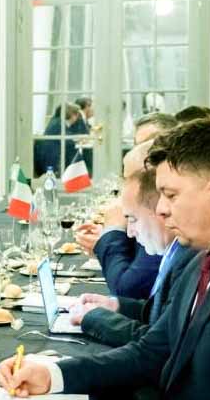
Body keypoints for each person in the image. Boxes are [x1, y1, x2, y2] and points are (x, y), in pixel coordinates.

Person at [0, 119, 210, 400]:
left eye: (171, 195)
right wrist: (53, 375)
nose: (161, 209)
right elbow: (151, 352)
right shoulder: (202, 261)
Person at [70, 142, 196, 346]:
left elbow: (159, 345)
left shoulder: (190, 257)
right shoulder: (178, 252)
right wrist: (116, 305)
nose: (128, 232)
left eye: (132, 218)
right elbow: (161, 314)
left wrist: (94, 318)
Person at [74, 117, 179, 299]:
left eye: (150, 143)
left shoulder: (177, 239)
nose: (141, 151)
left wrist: (113, 232)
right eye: (137, 144)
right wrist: (106, 239)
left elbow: (128, 288)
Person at [34, 103, 81, 176]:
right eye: (76, 115)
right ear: (72, 115)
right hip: (52, 162)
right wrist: (79, 140)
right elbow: (69, 142)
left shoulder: (56, 121)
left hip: (47, 157)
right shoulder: (59, 124)